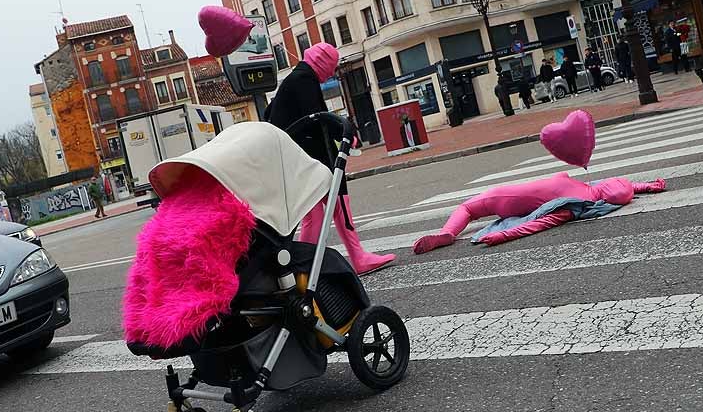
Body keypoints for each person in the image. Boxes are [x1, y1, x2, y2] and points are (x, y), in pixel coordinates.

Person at [263, 42, 395, 274]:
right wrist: (345, 133)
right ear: (322, 63)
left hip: (295, 161)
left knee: (313, 215)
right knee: (339, 207)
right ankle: (355, 258)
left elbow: (270, 115)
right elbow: (318, 118)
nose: (332, 72)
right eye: (331, 66)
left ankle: (306, 266)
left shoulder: (294, 80)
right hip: (313, 160)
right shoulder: (304, 81)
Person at [413, 172, 667, 253]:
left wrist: (503, 236)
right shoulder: (590, 193)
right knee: (471, 209)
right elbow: (624, 188)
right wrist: (645, 186)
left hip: (509, 197)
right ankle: (447, 232)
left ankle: (447, 233)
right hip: (512, 198)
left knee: (467, 207)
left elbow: (539, 224)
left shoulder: (576, 199)